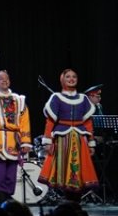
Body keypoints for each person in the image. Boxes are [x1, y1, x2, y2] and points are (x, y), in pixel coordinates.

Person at [39, 68, 99, 199]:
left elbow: (88, 123)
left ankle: (75, 200)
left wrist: (91, 143)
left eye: (74, 77)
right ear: (62, 79)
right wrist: (47, 141)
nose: (71, 79)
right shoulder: (56, 97)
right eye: (68, 77)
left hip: (79, 138)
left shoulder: (83, 99)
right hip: (62, 138)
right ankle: (68, 200)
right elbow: (49, 122)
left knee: (78, 170)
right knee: (63, 169)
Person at [0, 70, 33, 203]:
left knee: (11, 176)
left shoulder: (19, 100)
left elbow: (24, 122)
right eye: (1, 79)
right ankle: (1, 201)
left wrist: (26, 142)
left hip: (13, 141)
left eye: (6, 78)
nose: (4, 80)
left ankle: (8, 200)